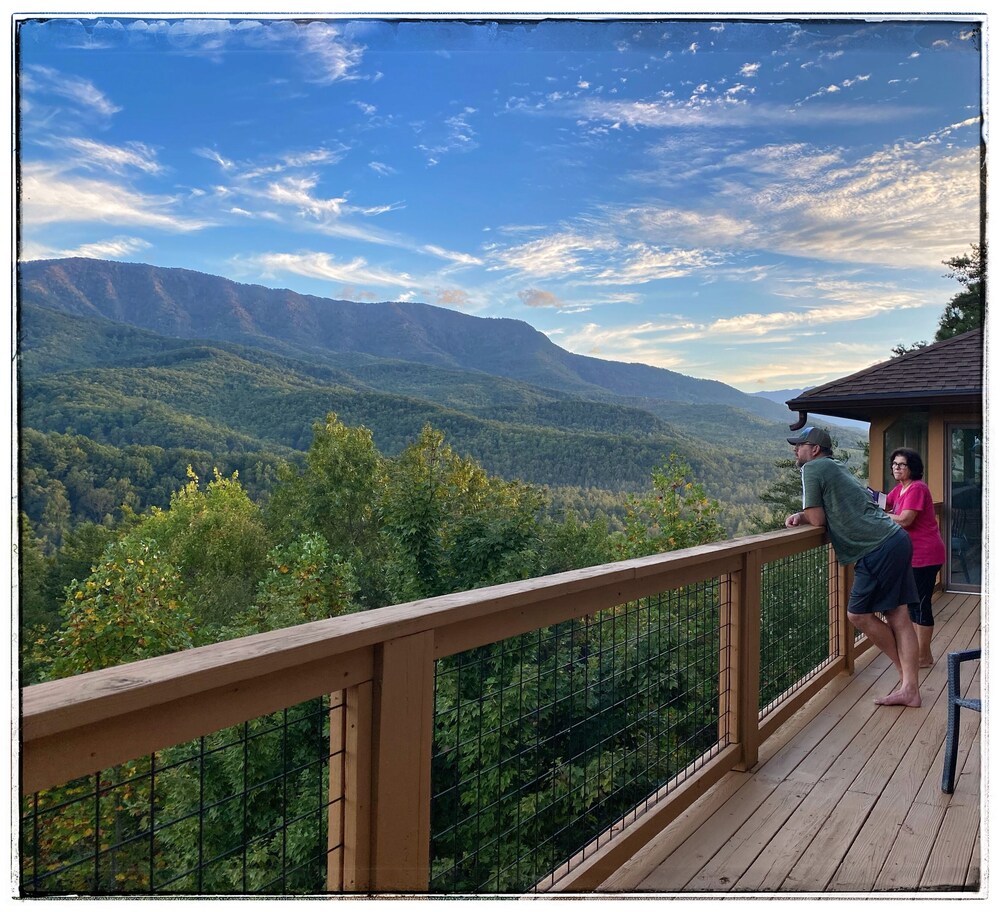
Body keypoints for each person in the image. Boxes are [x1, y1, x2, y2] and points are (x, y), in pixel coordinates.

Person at [784, 426, 921, 707]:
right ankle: (910, 686)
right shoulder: (836, 465)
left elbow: (818, 519)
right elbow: (825, 512)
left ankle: (907, 682)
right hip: (892, 540)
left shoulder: (812, 469)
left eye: (800, 445)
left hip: (876, 547)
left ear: (815, 449)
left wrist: (802, 515)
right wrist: (803, 515)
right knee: (898, 615)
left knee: (858, 615)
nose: (795, 450)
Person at [885, 448, 946, 668]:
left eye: (901, 464)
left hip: (925, 555)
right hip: (913, 556)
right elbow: (884, 503)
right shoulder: (901, 489)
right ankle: (918, 653)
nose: (896, 468)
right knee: (913, 605)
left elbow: (905, 519)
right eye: (894, 464)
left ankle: (924, 656)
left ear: (912, 468)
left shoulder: (917, 488)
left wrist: (879, 515)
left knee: (920, 604)